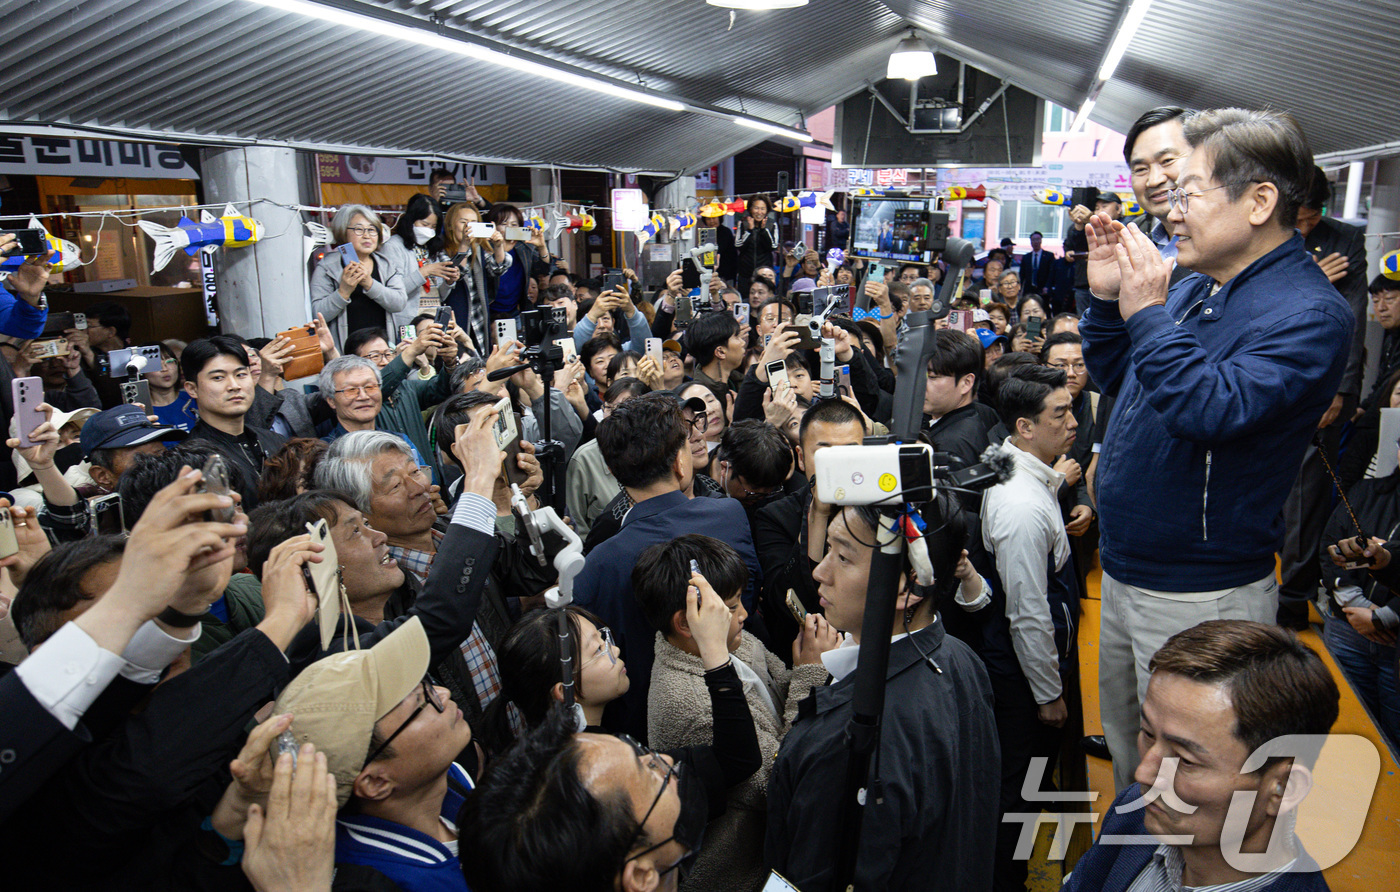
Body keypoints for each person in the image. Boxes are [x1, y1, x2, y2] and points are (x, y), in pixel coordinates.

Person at [1080, 107, 1354, 792]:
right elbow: (1123, 380)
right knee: (1133, 751)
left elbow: (1211, 408)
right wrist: (1107, 302)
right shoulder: (1201, 282)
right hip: (1128, 568)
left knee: (1187, 780)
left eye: (1188, 192)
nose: (1170, 211)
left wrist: (1145, 310)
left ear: (1260, 200)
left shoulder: (1308, 314)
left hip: (1197, 592)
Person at [766, 496, 1000, 892]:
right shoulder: (961, 660)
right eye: (828, 549)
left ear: (908, 587)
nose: (820, 572)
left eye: (843, 557)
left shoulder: (851, 742)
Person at [1064, 621, 1338, 892]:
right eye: (1148, 733)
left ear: (1284, 787)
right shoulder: (1136, 810)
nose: (1143, 774)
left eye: (1185, 760)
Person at [635, 534, 838, 892]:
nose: (744, 613)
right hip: (745, 873)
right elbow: (778, 782)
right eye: (730, 607)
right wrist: (810, 674)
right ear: (688, 622)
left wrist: (806, 664)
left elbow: (776, 695)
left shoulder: (731, 642)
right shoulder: (689, 703)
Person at [572, 392, 761, 741]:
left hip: (649, 725)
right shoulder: (729, 514)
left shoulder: (597, 564)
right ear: (680, 462)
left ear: (613, 469)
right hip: (741, 692)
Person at [269, 617, 477, 891]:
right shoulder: (389, 881)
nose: (444, 693)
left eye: (425, 682)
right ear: (376, 783)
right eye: (422, 701)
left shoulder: (445, 777)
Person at [978, 364, 1080, 892]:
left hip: (1028, 666)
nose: (1073, 422)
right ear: (1024, 427)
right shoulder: (1020, 507)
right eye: (1059, 414)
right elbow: (1028, 614)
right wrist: (1047, 692)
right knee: (1016, 792)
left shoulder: (1021, 470)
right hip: (1021, 677)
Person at [1277, 165, 1373, 630]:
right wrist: (1311, 281)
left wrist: (1341, 390)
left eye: (1314, 219)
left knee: (1306, 499)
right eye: (1300, 218)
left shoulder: (1345, 242)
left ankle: (1292, 598)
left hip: (1318, 389)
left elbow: (1352, 324)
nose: (1307, 227)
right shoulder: (1259, 232)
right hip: (1265, 381)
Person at [1318, 442, 1400, 747]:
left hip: (1395, 642)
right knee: (1340, 729)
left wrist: (1385, 617)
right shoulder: (1367, 492)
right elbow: (1331, 544)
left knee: (1394, 735)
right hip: (1348, 629)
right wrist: (1357, 605)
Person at [181, 335, 288, 512]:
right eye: (218, 378)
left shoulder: (276, 442)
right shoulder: (192, 460)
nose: (234, 385)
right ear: (192, 389)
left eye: (240, 375)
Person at [311, 204, 411, 350]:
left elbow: (399, 303)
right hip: (345, 352)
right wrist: (343, 292)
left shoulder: (387, 265)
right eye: (359, 229)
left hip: (382, 352)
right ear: (343, 232)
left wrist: (370, 284)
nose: (367, 235)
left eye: (372, 230)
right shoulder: (327, 267)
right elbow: (318, 314)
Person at [384, 192, 462, 334]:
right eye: (424, 224)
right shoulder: (393, 246)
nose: (429, 231)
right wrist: (424, 272)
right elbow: (394, 293)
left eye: (433, 227)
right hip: (409, 323)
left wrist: (448, 282)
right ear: (411, 220)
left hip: (434, 320)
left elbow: (440, 295)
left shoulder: (431, 248)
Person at [440, 201, 510, 354]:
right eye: (463, 222)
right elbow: (456, 273)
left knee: (479, 360)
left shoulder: (479, 249)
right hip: (454, 319)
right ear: (451, 225)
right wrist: (464, 246)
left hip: (478, 318)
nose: (468, 227)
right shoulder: (441, 251)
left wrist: (498, 246)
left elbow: (498, 269)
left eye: (473, 223)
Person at [483, 203, 553, 318]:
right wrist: (499, 247)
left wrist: (541, 247)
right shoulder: (484, 248)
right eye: (503, 224)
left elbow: (543, 270)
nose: (509, 228)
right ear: (493, 225)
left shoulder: (523, 247)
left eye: (514, 224)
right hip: (486, 311)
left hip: (514, 311)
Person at [713, 419, 792, 520]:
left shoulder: (772, 483)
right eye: (753, 489)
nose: (760, 497)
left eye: (770, 491)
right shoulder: (696, 488)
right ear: (725, 468)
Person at [1065, 190, 1123, 314]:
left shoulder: (1126, 225)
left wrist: (1090, 221)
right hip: (1084, 284)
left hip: (1116, 287)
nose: (1099, 211)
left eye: (1104, 206)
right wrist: (1080, 225)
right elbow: (1072, 246)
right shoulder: (1084, 226)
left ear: (1118, 209)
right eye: (1096, 208)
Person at [687, 310, 747, 399]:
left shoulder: (737, 382)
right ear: (720, 352)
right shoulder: (699, 397)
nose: (743, 343)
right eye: (737, 337)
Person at [733, 196, 777, 296]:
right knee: (745, 300)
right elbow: (738, 245)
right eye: (756, 208)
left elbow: (773, 246)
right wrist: (750, 230)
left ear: (767, 210)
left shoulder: (771, 224)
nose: (759, 212)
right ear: (750, 209)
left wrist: (763, 230)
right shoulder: (743, 223)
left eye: (762, 209)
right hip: (745, 273)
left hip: (764, 273)